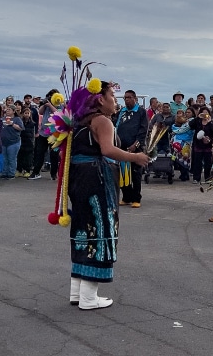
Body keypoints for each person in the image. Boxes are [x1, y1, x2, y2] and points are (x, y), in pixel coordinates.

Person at [65, 80, 149, 309]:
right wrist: (136, 157)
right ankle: (89, 298)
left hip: (80, 178)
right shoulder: (102, 120)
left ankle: (77, 292)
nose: (115, 100)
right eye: (112, 95)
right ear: (100, 99)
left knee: (83, 228)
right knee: (100, 230)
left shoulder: (80, 121)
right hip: (96, 178)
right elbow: (108, 150)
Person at [115, 89, 148, 208]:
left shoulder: (141, 112)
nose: (127, 99)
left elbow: (143, 130)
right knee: (122, 173)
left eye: (129, 97)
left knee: (135, 174)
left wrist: (136, 145)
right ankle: (126, 197)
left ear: (135, 99)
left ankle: (136, 198)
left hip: (135, 148)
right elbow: (114, 127)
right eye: (125, 98)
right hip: (121, 148)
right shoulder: (121, 112)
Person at [188, 107, 213, 184]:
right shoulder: (198, 121)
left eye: (207, 113)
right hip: (198, 145)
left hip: (208, 145)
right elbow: (190, 125)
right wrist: (197, 117)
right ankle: (196, 178)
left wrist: (209, 122)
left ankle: (207, 178)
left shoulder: (211, 122)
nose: (205, 114)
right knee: (197, 162)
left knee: (208, 163)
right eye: (203, 113)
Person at [0, 107, 24, 179]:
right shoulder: (2, 119)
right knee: (4, 158)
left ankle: (11, 173)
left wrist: (12, 124)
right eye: (6, 109)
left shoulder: (17, 119)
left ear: (13, 111)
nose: (7, 111)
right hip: (3, 142)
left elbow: (21, 128)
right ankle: (4, 173)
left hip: (14, 142)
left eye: (9, 109)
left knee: (11, 158)